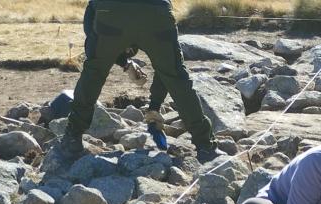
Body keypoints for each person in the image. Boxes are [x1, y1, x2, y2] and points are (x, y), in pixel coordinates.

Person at [57, 0, 217, 161]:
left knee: (93, 73)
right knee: (175, 75)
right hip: (156, 11)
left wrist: (120, 61)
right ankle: (205, 145)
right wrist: (154, 105)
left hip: (110, 11)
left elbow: (93, 36)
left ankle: (73, 136)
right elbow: (166, 70)